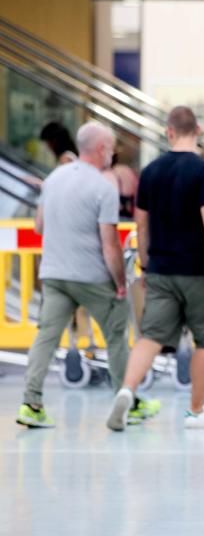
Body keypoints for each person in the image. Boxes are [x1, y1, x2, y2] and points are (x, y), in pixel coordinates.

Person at [107, 106, 204, 432]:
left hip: (160, 268)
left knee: (150, 335)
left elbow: (141, 223)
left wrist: (147, 265)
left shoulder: (149, 172)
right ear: (199, 130)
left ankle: (126, 390)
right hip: (199, 270)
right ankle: (196, 410)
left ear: (169, 132)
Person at [17, 122, 140, 428]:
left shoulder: (54, 179)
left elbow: (39, 227)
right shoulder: (103, 187)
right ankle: (127, 401)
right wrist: (120, 284)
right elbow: (110, 244)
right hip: (91, 276)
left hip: (54, 272)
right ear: (101, 149)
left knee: (46, 336)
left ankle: (31, 403)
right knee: (115, 333)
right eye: (111, 147)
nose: (112, 153)